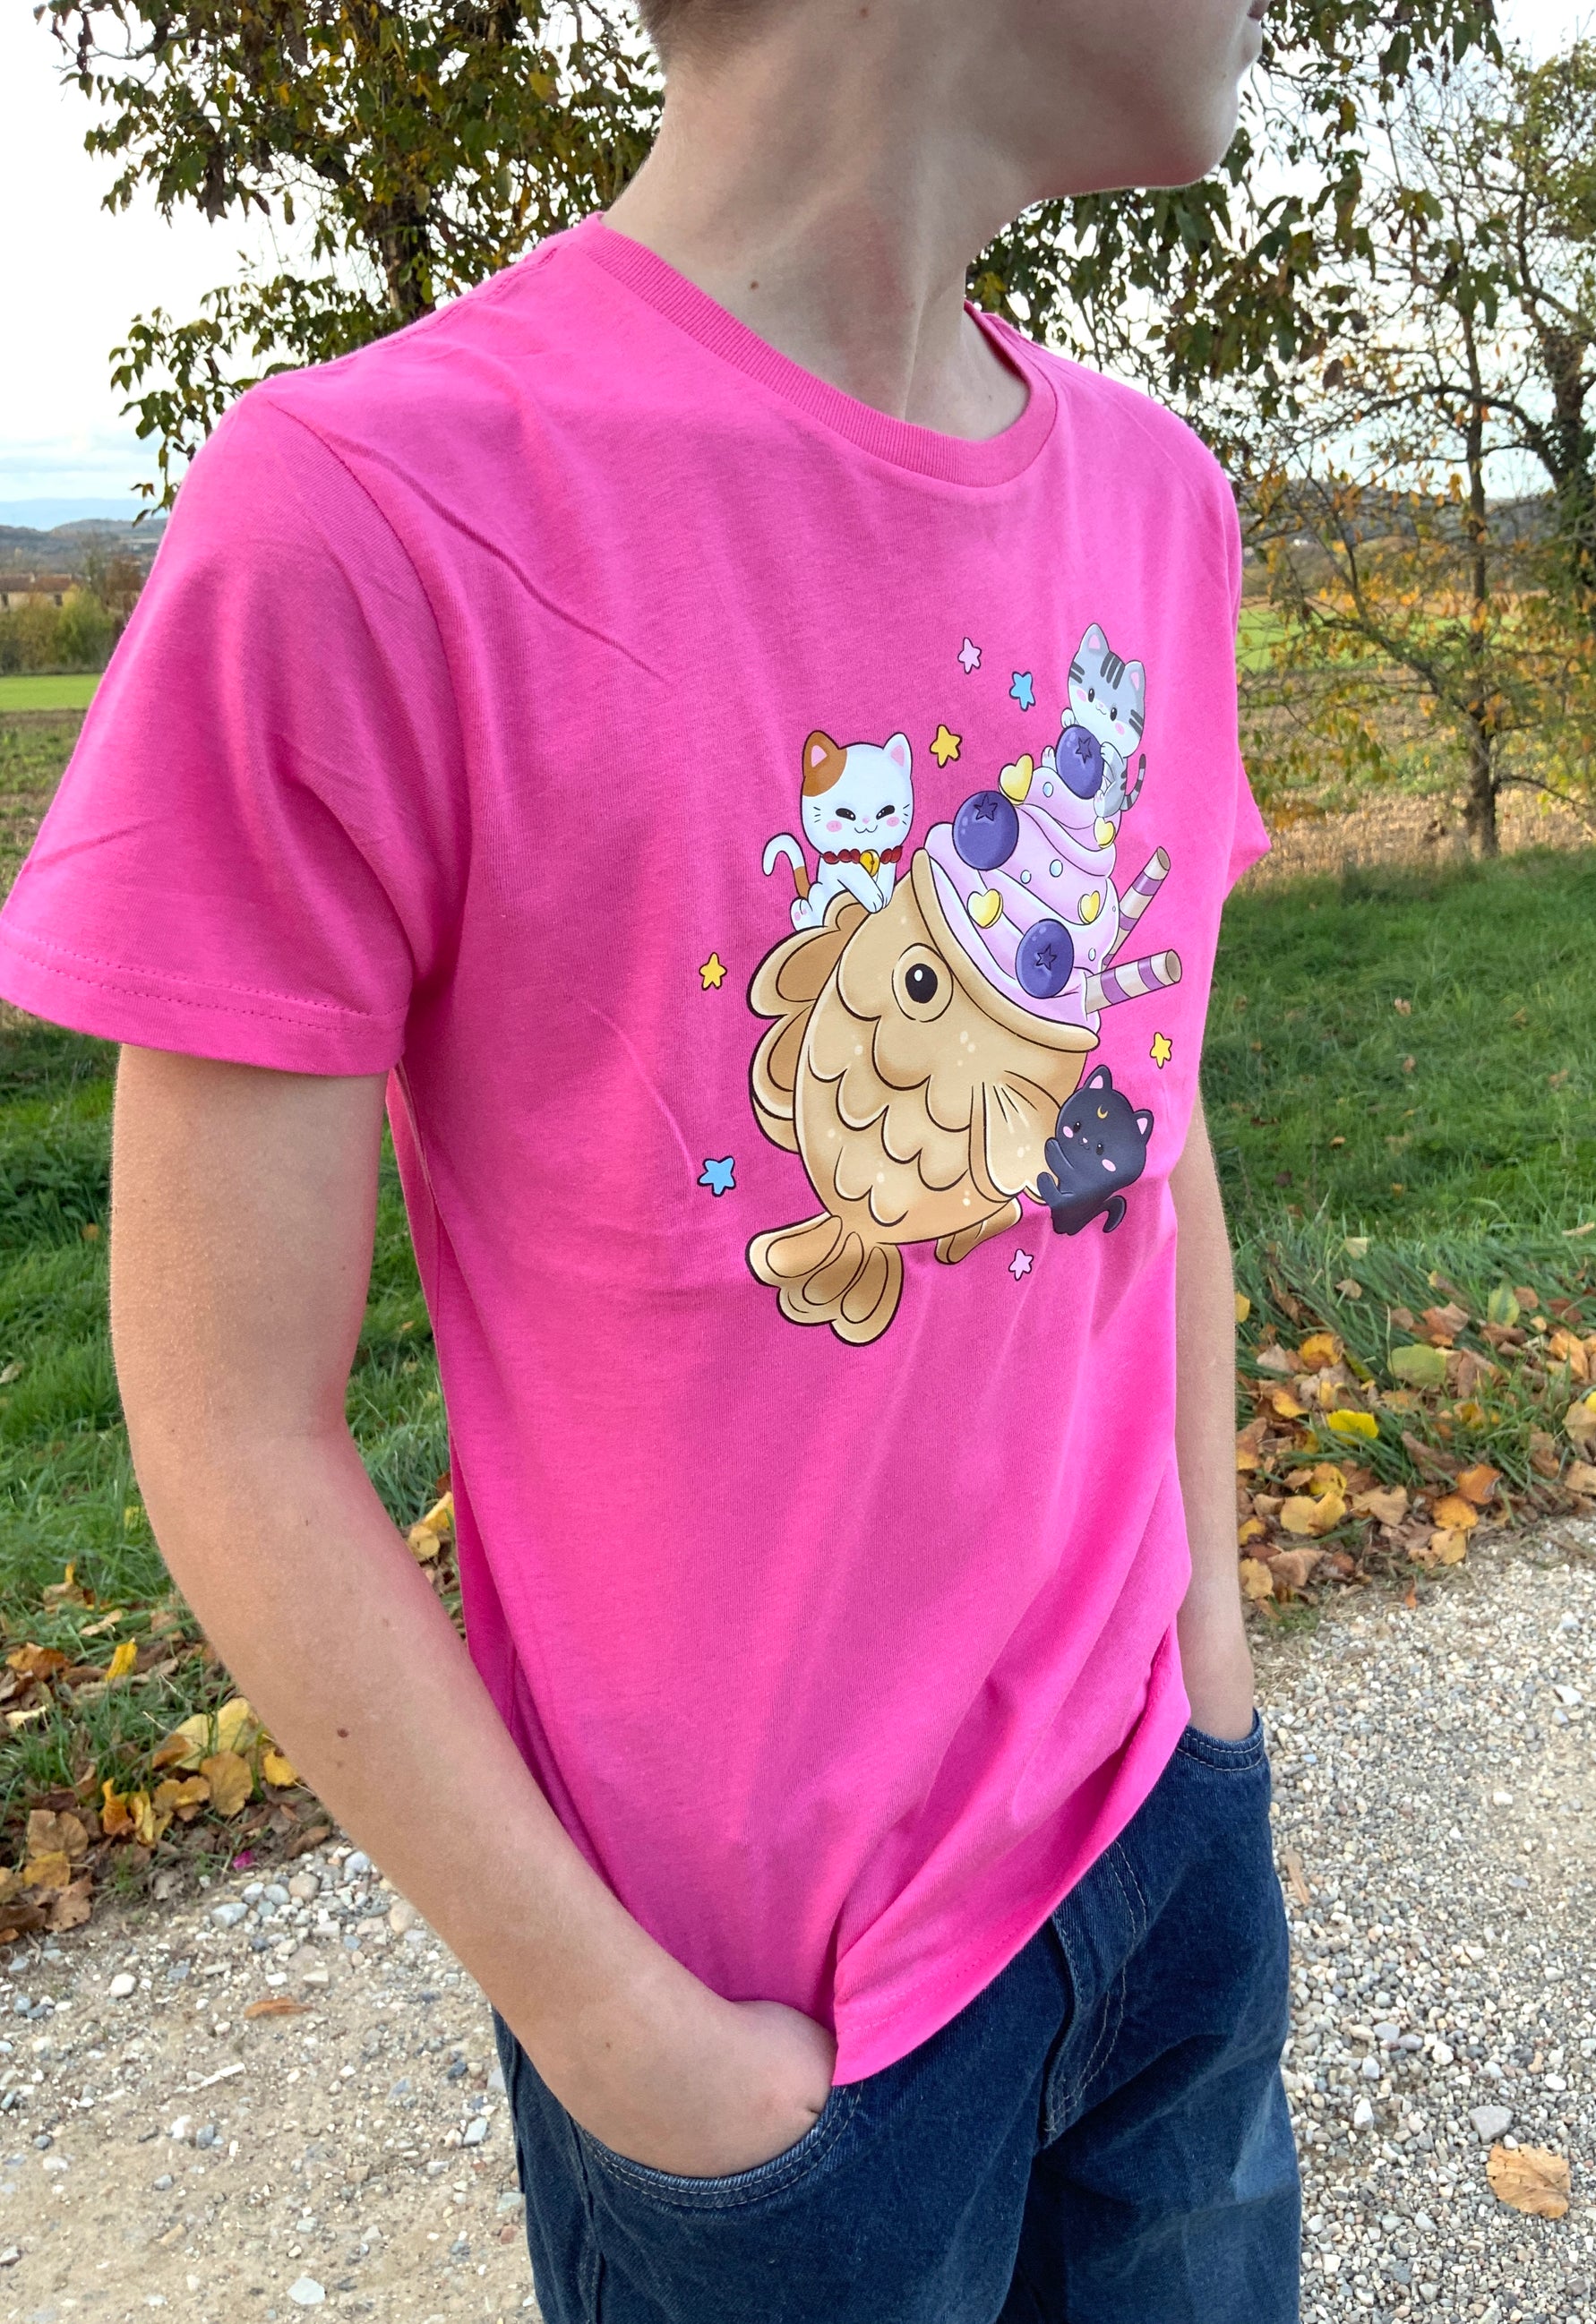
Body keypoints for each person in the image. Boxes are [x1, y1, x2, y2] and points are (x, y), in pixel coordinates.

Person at [0, 0, 1297, 2314]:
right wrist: (631, 2042)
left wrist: (1207, 1671)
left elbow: (1149, 1110)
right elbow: (224, 1414)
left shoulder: (1156, 502)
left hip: (1158, 1846)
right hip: (761, 2053)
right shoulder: (369, 516)